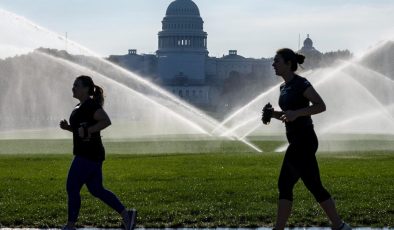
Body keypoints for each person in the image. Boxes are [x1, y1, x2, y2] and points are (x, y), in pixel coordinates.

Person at [264, 48, 351, 230]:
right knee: (314, 185)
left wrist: (297, 113)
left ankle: (279, 228)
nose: (273, 64)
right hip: (296, 140)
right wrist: (273, 114)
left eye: (277, 61)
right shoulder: (283, 87)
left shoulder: (301, 83)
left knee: (285, 183)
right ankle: (339, 225)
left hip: (304, 140)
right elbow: (290, 115)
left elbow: (321, 106)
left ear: (288, 64)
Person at [59, 75, 137, 230]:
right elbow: (80, 130)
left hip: (88, 154)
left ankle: (70, 225)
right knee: (96, 190)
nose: (73, 87)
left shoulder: (91, 105)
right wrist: (69, 128)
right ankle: (127, 215)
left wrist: (88, 130)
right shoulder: (78, 107)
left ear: (87, 88)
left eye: (77, 85)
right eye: (73, 84)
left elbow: (106, 121)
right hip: (91, 154)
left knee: (72, 186)